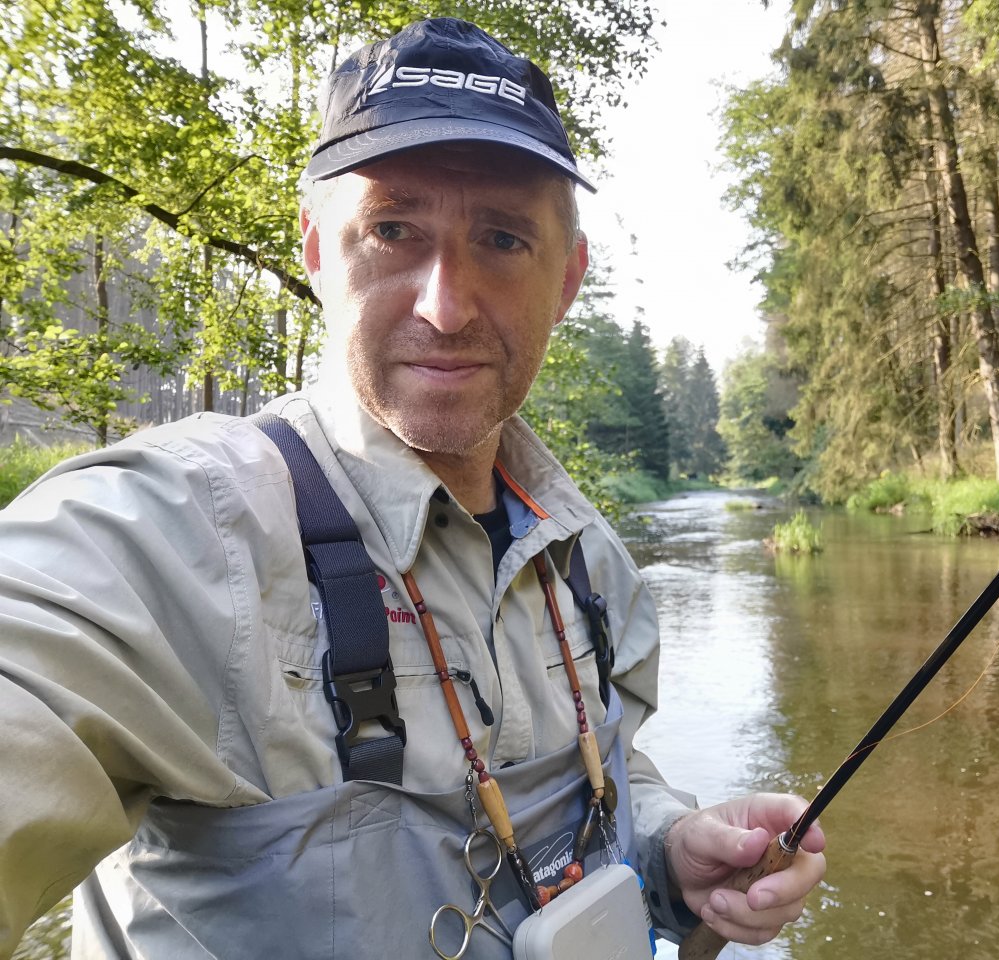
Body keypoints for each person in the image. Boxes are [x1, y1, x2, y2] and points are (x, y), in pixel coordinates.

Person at [0, 17, 824, 959]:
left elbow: (606, 780)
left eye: (503, 239)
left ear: (567, 279)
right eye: (393, 230)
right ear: (316, 252)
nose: (446, 304)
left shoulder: (583, 554)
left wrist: (674, 856)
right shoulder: (177, 533)